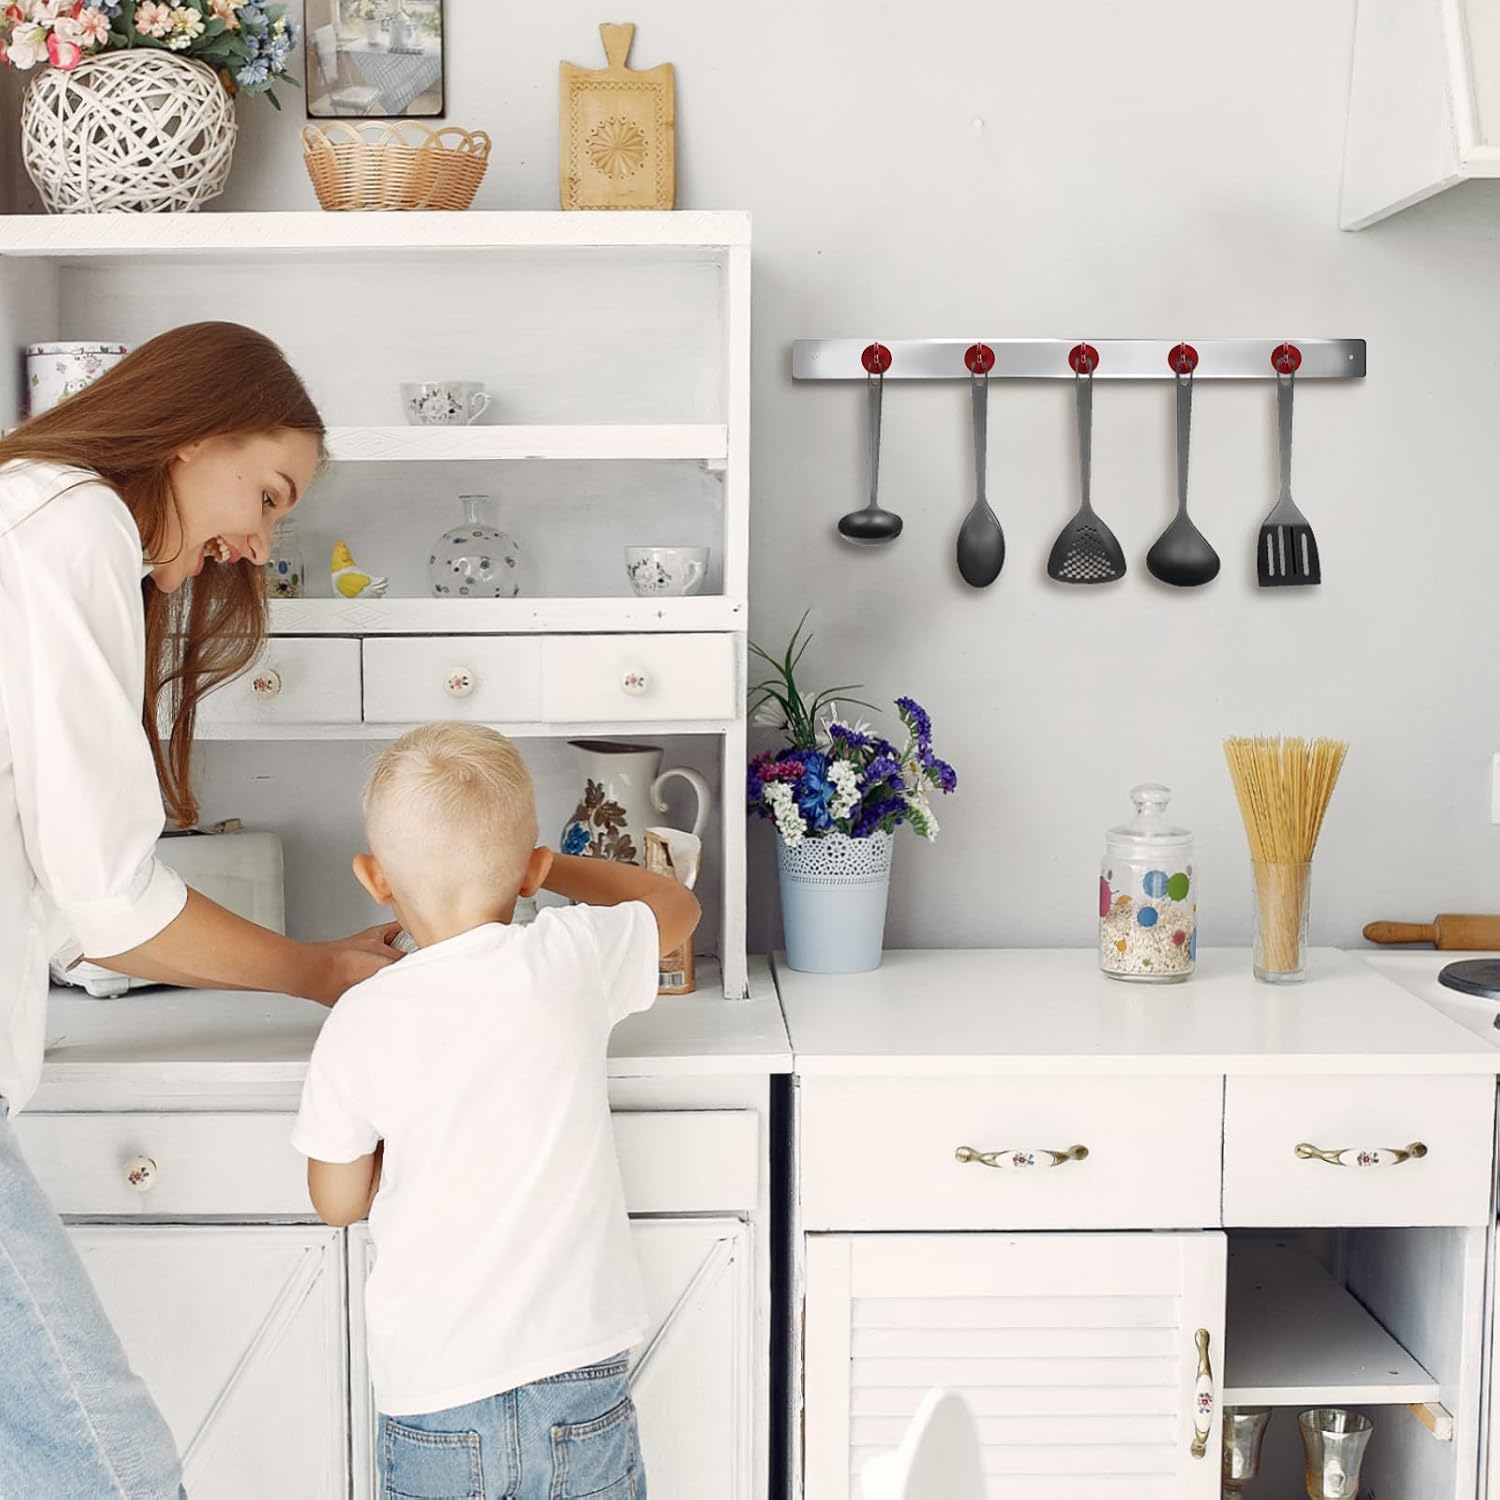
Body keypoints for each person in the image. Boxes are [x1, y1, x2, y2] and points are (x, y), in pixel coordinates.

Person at [0, 321, 401, 1499]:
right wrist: (321, 973)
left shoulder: (32, 511)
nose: (259, 544)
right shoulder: (70, 522)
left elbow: (72, 896)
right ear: (193, 434)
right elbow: (111, 903)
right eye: (267, 496)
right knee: (106, 1468)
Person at [292, 722, 700, 1500]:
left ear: (374, 879)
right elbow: (673, 904)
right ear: (531, 869)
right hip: (577, 1376)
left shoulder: (361, 1016)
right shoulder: (569, 956)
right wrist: (541, 868)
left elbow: (337, 1202)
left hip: (435, 1391)